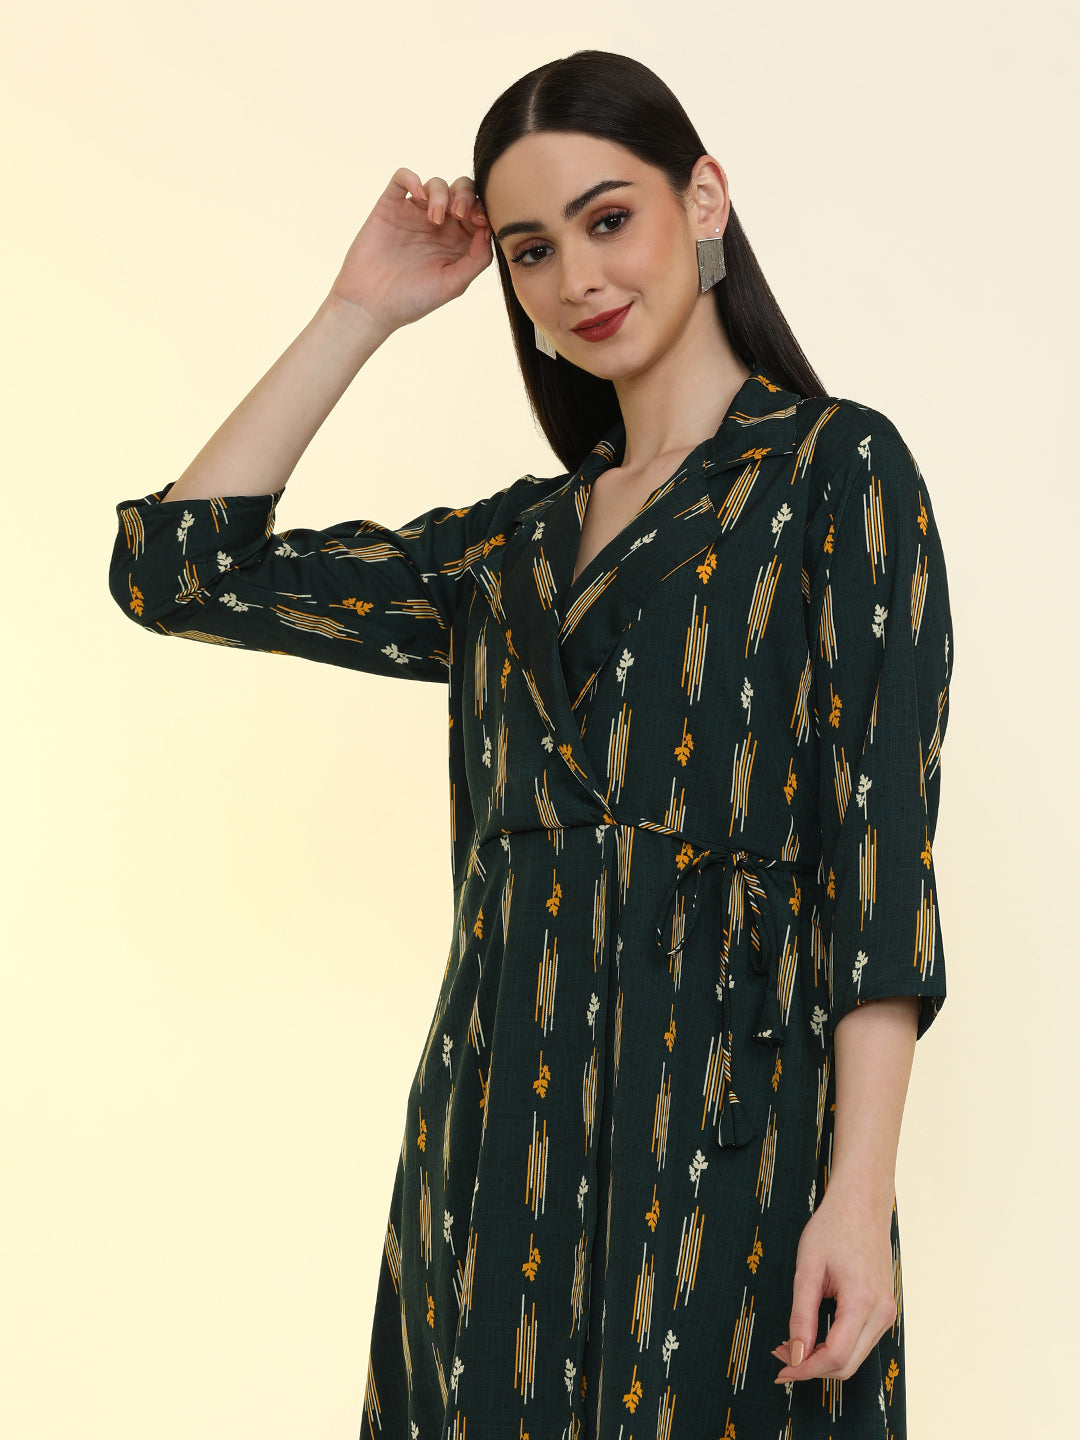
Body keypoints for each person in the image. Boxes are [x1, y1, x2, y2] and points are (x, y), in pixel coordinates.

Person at [108, 48, 953, 1440]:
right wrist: (360, 310)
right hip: (492, 1154)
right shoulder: (506, 553)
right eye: (532, 250)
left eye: (609, 219)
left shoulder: (835, 474)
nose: (577, 278)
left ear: (703, 200)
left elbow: (878, 860)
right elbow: (178, 573)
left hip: (730, 1148)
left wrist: (857, 1196)